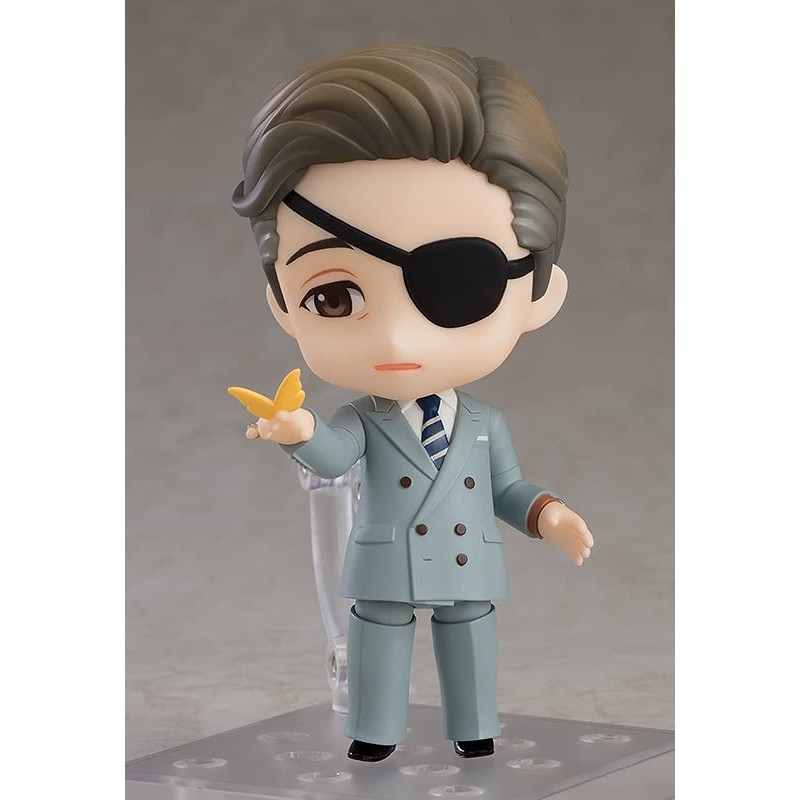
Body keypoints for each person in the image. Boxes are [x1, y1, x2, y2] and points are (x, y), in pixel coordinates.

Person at [231, 43, 593, 763]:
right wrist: (299, 430)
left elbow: (506, 488)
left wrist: (548, 514)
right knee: (379, 641)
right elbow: (333, 457)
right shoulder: (361, 420)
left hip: (465, 560)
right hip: (385, 563)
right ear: (282, 301)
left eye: (458, 286)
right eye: (334, 297)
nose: (396, 338)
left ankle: (475, 729)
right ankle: (373, 734)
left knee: (470, 637)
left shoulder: (483, 424)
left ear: (539, 292)